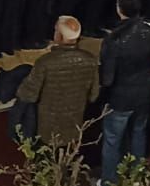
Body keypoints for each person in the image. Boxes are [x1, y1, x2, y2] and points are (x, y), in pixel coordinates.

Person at [95, 0, 150, 186]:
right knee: (139, 132)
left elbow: (107, 77)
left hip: (120, 98)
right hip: (145, 92)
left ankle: (108, 185)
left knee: (112, 140)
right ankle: (137, 176)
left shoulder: (114, 40)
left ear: (119, 9)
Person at [18, 15, 100, 146]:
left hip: (47, 129)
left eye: (56, 30)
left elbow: (28, 95)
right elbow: (94, 95)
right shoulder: (90, 60)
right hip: (75, 126)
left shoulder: (45, 62)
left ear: (60, 37)